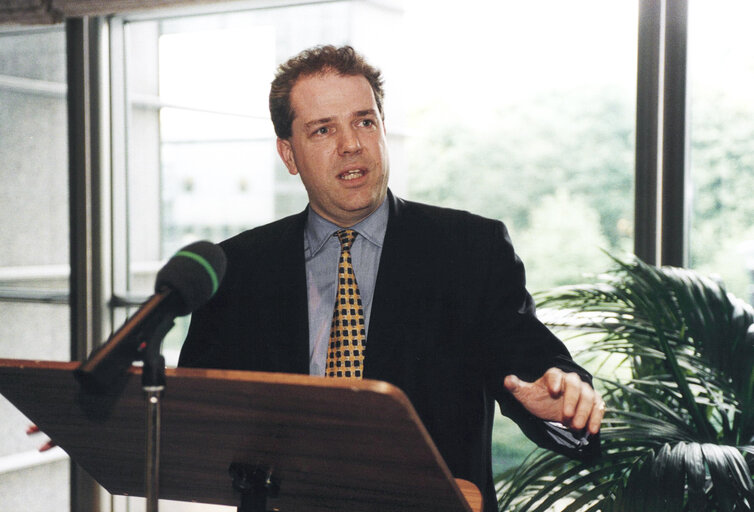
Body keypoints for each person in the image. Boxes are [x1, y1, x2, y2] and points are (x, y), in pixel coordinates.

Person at [178, 45, 604, 511]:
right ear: (288, 154)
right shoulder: (237, 267)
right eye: (323, 129)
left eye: (364, 121)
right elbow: (195, 419)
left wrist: (562, 402)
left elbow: (532, 363)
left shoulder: (469, 250)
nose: (351, 145)